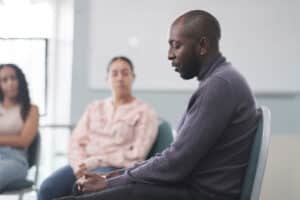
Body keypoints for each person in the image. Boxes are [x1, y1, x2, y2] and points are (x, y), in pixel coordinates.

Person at [56, 10, 259, 200]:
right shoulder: (221, 81)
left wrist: (111, 181)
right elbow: (177, 157)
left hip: (198, 193)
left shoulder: (219, 86)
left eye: (176, 45)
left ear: (202, 46)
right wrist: (115, 177)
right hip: (192, 187)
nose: (170, 55)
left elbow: (176, 164)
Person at [38, 56, 158, 200]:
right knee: (47, 188)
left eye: (125, 73)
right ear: (107, 79)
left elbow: (137, 155)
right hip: (83, 165)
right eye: (114, 73)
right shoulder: (94, 107)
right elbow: (76, 142)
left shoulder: (145, 112)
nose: (120, 78)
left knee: (82, 188)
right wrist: (79, 165)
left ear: (133, 77)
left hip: (114, 169)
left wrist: (96, 161)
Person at [0, 64, 39, 192]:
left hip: (15, 159)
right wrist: (11, 138)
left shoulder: (31, 110)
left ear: (20, 80)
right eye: (4, 80)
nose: (10, 83)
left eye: (13, 78)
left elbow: (23, 141)